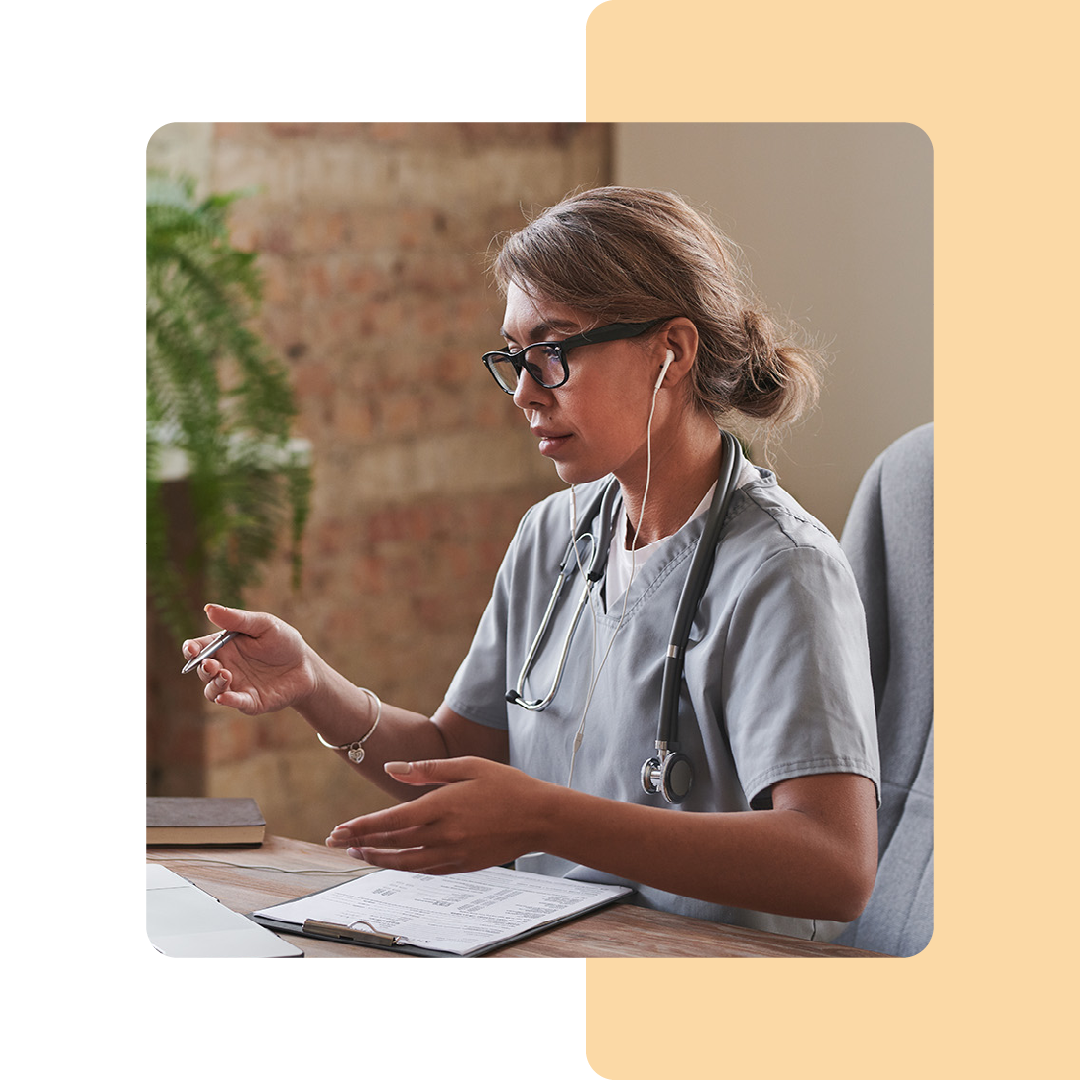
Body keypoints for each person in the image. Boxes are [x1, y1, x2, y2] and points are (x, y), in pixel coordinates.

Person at [183, 186, 880, 941]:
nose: (523, 393)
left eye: (551, 353)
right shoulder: (554, 535)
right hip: (553, 943)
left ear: (671, 351)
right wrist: (315, 686)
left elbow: (835, 866)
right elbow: (454, 758)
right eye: (515, 358)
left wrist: (545, 818)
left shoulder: (782, 569)